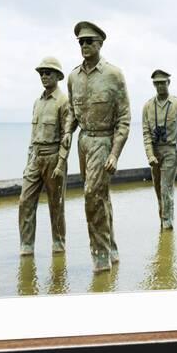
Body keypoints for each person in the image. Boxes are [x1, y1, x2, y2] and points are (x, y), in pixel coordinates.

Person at [64, 21, 130, 272]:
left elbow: (124, 119)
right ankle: (112, 250)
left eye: (89, 41)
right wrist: (67, 133)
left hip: (104, 142)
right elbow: (72, 110)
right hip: (83, 143)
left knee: (92, 196)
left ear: (100, 44)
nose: (84, 45)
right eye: (81, 42)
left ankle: (101, 258)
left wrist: (115, 154)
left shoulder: (114, 75)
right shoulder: (72, 77)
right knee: (100, 197)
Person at [18, 57, 69, 256]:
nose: (44, 76)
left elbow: (67, 136)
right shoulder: (37, 103)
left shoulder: (64, 102)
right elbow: (33, 137)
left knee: (56, 204)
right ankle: (26, 246)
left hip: (54, 158)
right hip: (35, 158)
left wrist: (61, 162)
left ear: (57, 75)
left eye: (48, 72)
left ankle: (58, 244)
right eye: (41, 73)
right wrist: (28, 161)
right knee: (25, 200)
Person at [142, 69, 177, 230]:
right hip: (155, 152)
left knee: (166, 187)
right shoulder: (147, 106)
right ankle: (164, 219)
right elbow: (146, 134)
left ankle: (167, 225)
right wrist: (149, 155)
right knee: (158, 190)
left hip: (170, 150)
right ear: (154, 85)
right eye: (157, 83)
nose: (160, 86)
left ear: (169, 83)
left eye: (163, 82)